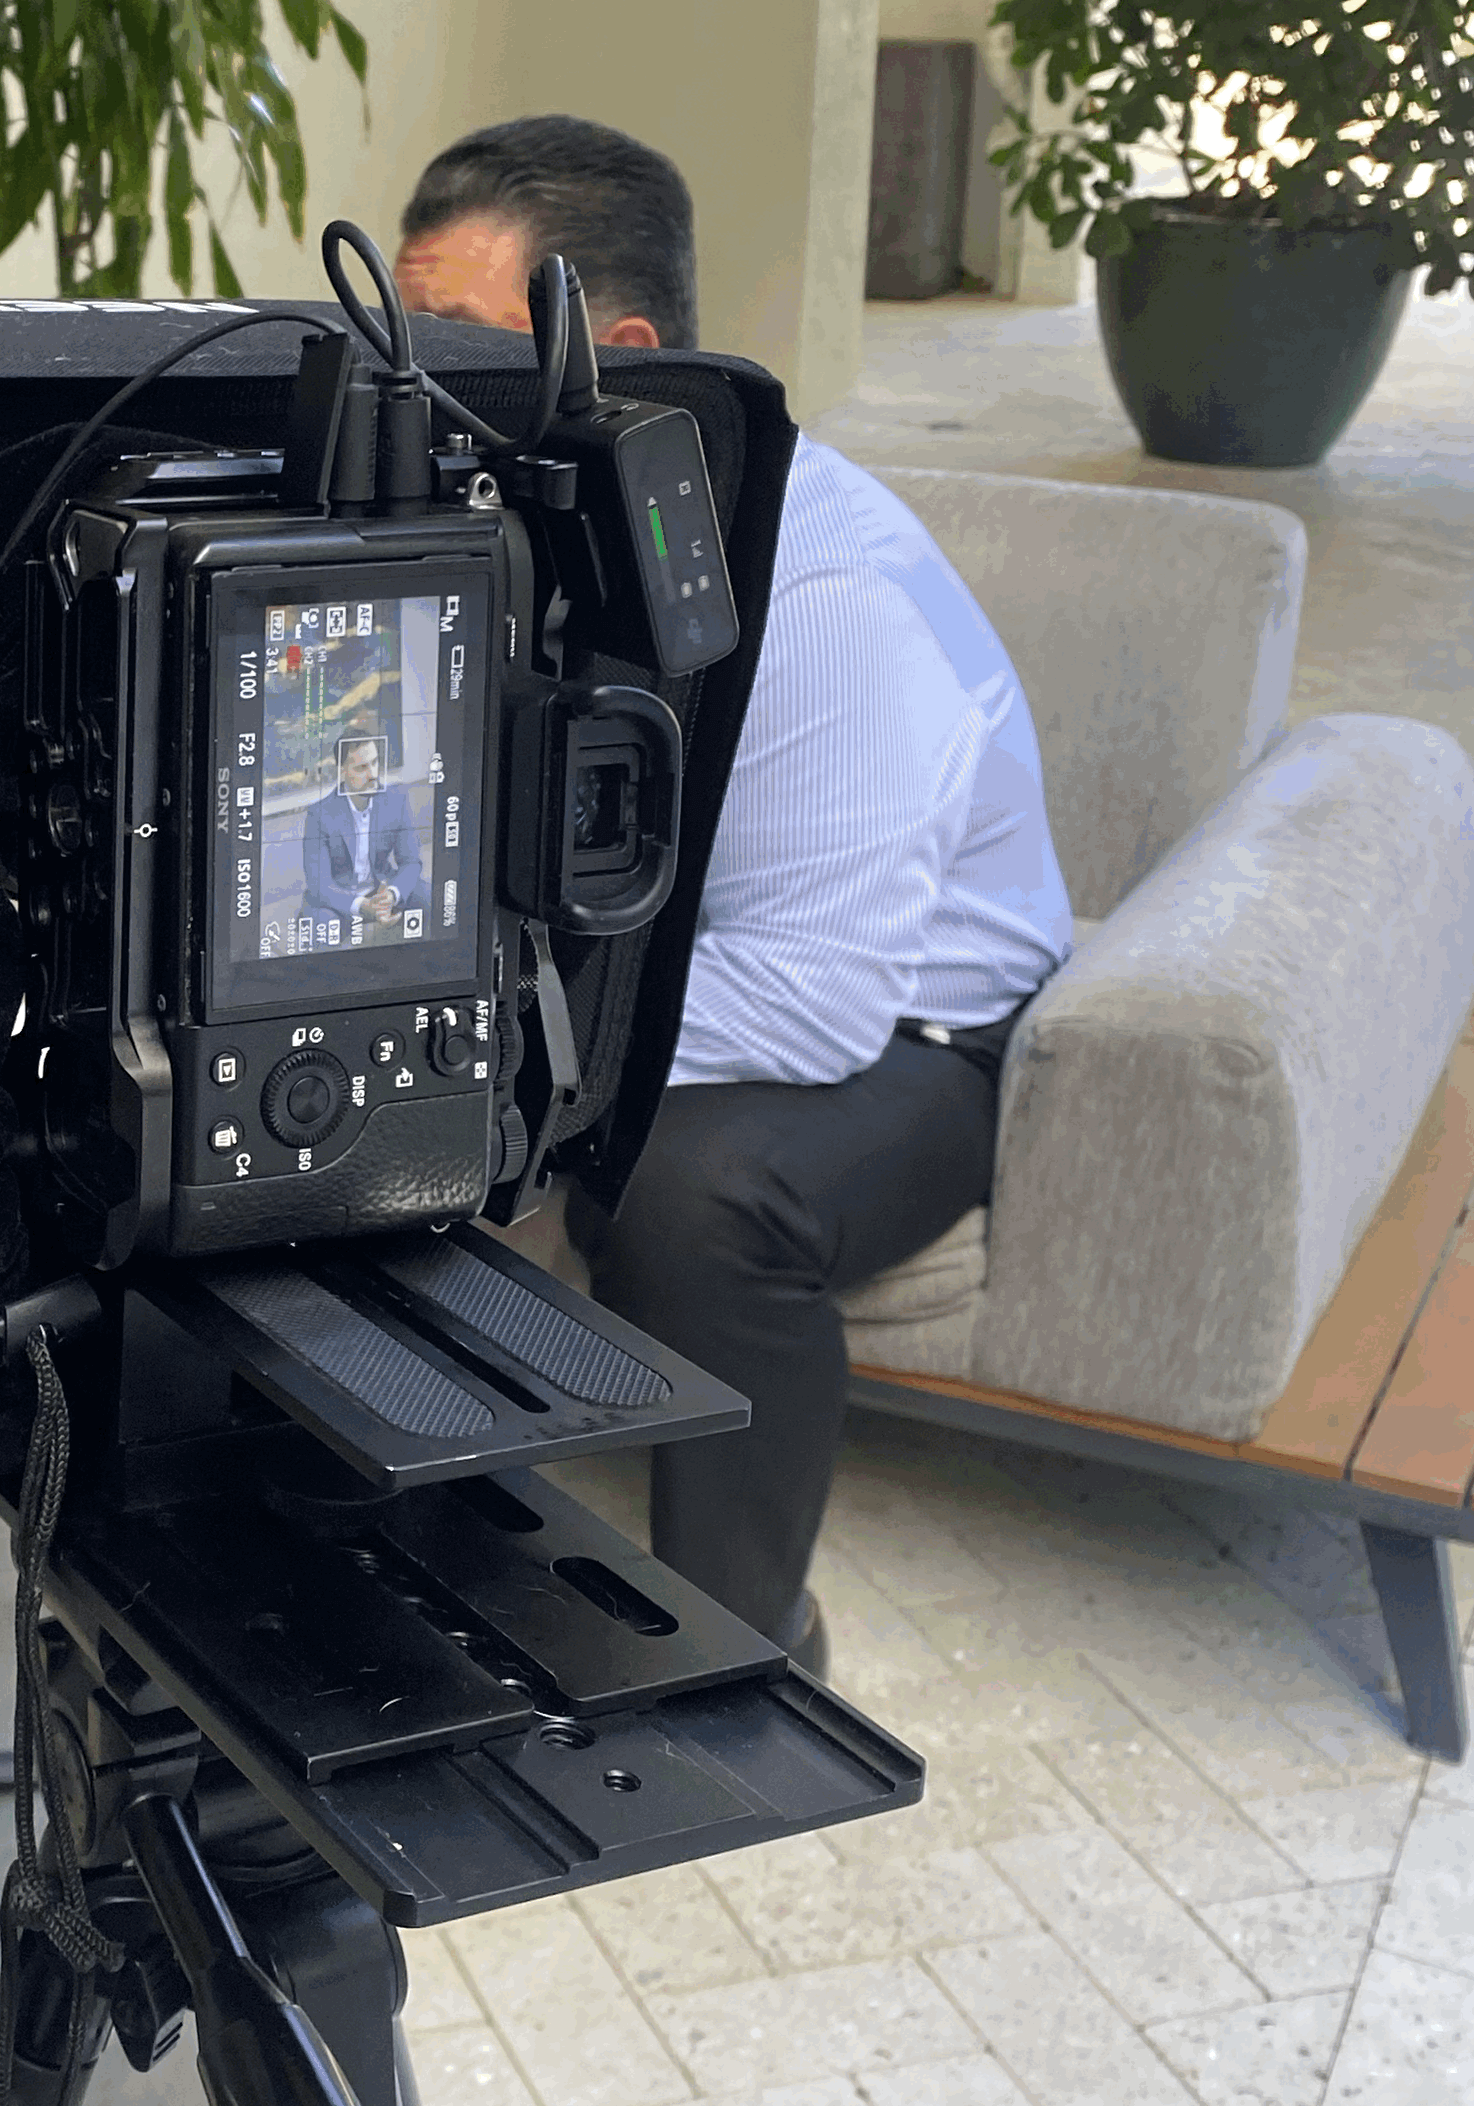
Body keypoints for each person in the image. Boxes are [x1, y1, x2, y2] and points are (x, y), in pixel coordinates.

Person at [395, 114, 1073, 1673]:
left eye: (456, 340)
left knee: (687, 1196)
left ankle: (747, 1640)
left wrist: (504, 1056)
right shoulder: (509, 517)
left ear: (616, 353)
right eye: (398, 327)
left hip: (914, 1031)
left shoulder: (818, 594)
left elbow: (817, 995)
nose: (411, 376)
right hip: (646, 956)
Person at [299, 730, 427, 943]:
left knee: (429, 896)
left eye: (375, 762)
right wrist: (363, 906)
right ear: (342, 772)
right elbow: (319, 883)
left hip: (382, 888)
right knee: (322, 928)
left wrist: (392, 894)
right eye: (362, 768)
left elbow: (411, 861)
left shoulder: (396, 801)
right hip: (339, 898)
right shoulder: (319, 815)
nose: (373, 774)